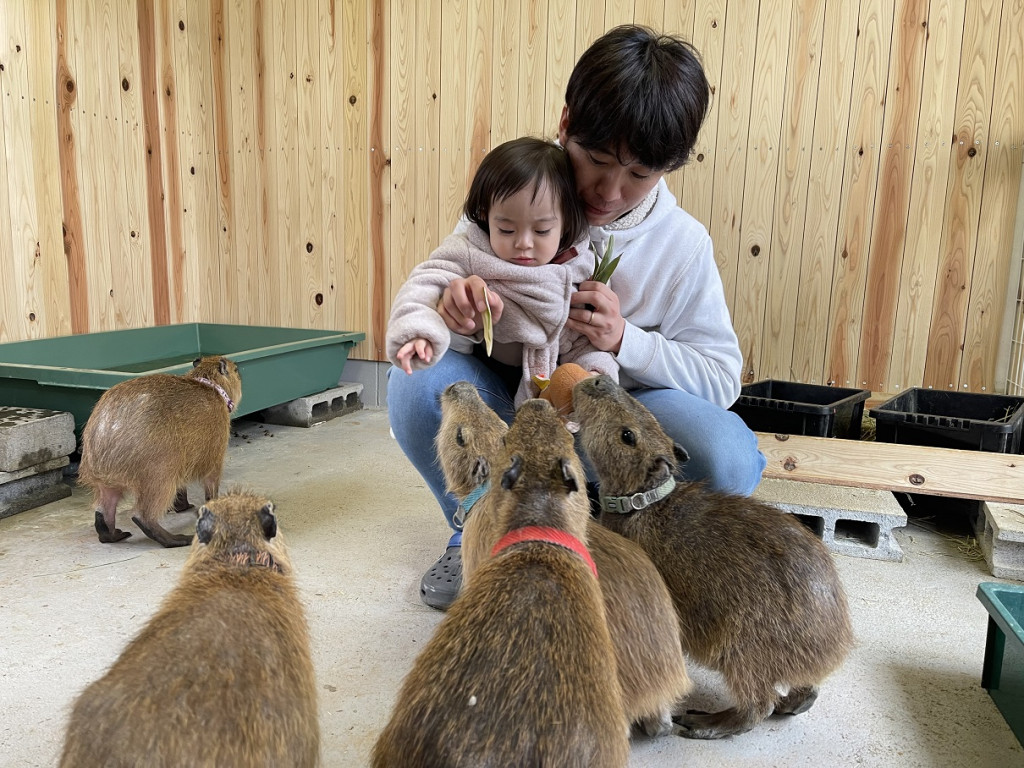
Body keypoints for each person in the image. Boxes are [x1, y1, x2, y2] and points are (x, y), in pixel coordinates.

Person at [387, 24, 767, 610]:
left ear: (671, 166)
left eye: (640, 174)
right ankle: (477, 527)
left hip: (609, 415)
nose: (611, 191)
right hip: (512, 397)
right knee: (418, 385)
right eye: (596, 160)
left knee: (728, 457)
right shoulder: (515, 194)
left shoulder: (683, 245)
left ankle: (613, 540)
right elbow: (441, 295)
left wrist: (625, 341)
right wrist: (458, 321)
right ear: (565, 124)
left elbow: (721, 380)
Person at [385, 136, 618, 408]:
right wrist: (418, 332)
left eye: (542, 231)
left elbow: (585, 343)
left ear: (566, 222)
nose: (523, 243)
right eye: (506, 229)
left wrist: (593, 376)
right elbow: (426, 282)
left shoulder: (581, 268)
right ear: (485, 215)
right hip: (484, 374)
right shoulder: (472, 250)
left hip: (554, 388)